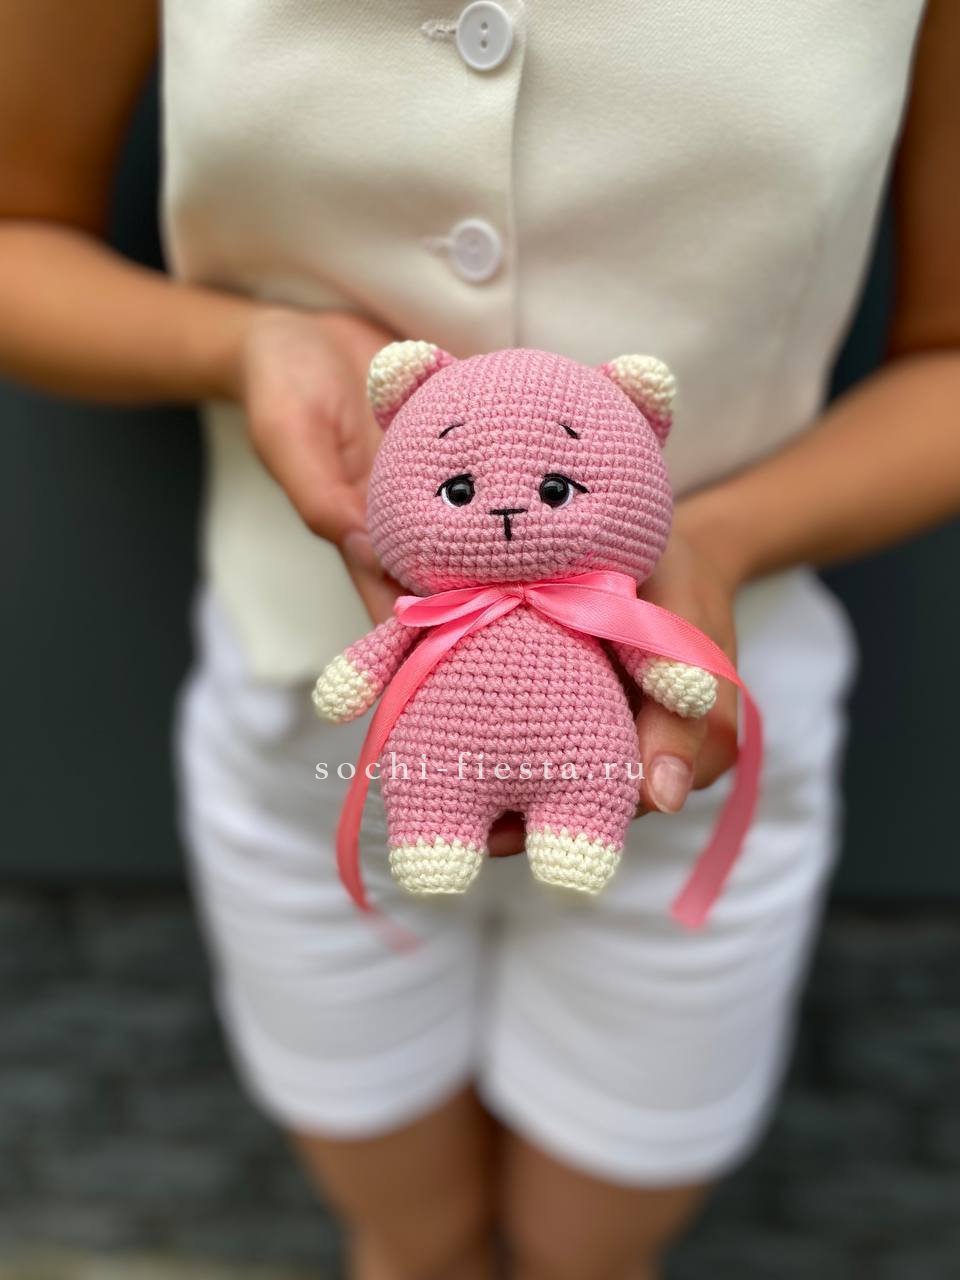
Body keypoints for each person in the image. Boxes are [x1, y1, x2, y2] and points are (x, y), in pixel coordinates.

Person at [2, 2, 958, 1277]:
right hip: (311, 750)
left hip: (699, 755)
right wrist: (246, 343)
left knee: (593, 1258)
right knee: (410, 1245)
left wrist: (719, 542)